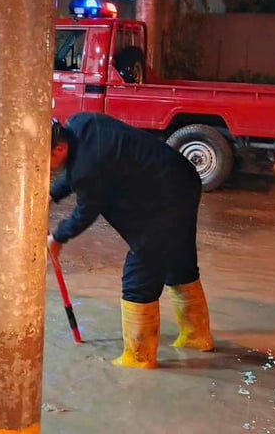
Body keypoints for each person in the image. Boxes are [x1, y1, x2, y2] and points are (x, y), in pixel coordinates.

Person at [47, 113, 214, 369]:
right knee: (178, 258)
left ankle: (139, 358)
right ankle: (196, 336)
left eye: (47, 160)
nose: (47, 168)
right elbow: (79, 171)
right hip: (181, 177)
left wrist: (58, 238)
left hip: (163, 195)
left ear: (60, 147)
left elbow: (86, 210)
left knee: (142, 268)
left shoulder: (88, 168)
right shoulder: (82, 124)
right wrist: (52, 194)